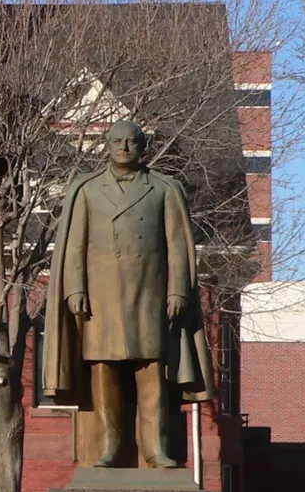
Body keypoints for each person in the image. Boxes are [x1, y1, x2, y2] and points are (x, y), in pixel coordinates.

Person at [42, 120, 213, 468]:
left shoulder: (165, 189)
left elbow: (178, 246)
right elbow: (74, 248)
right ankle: (109, 447)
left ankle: (155, 449)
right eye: (117, 141)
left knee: (151, 373)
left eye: (131, 141)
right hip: (100, 300)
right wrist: (74, 288)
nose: (124, 147)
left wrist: (178, 290)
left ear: (142, 146)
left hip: (150, 296)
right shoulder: (86, 190)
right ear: (106, 145)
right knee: (104, 372)